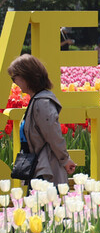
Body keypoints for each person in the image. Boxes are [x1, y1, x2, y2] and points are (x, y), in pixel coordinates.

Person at [7, 55, 76, 185]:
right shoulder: (36, 100)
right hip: (38, 167)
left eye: (14, 77)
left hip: (46, 170)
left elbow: (53, 135)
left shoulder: (42, 103)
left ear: (27, 77)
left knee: (43, 204)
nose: (14, 81)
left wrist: (65, 159)